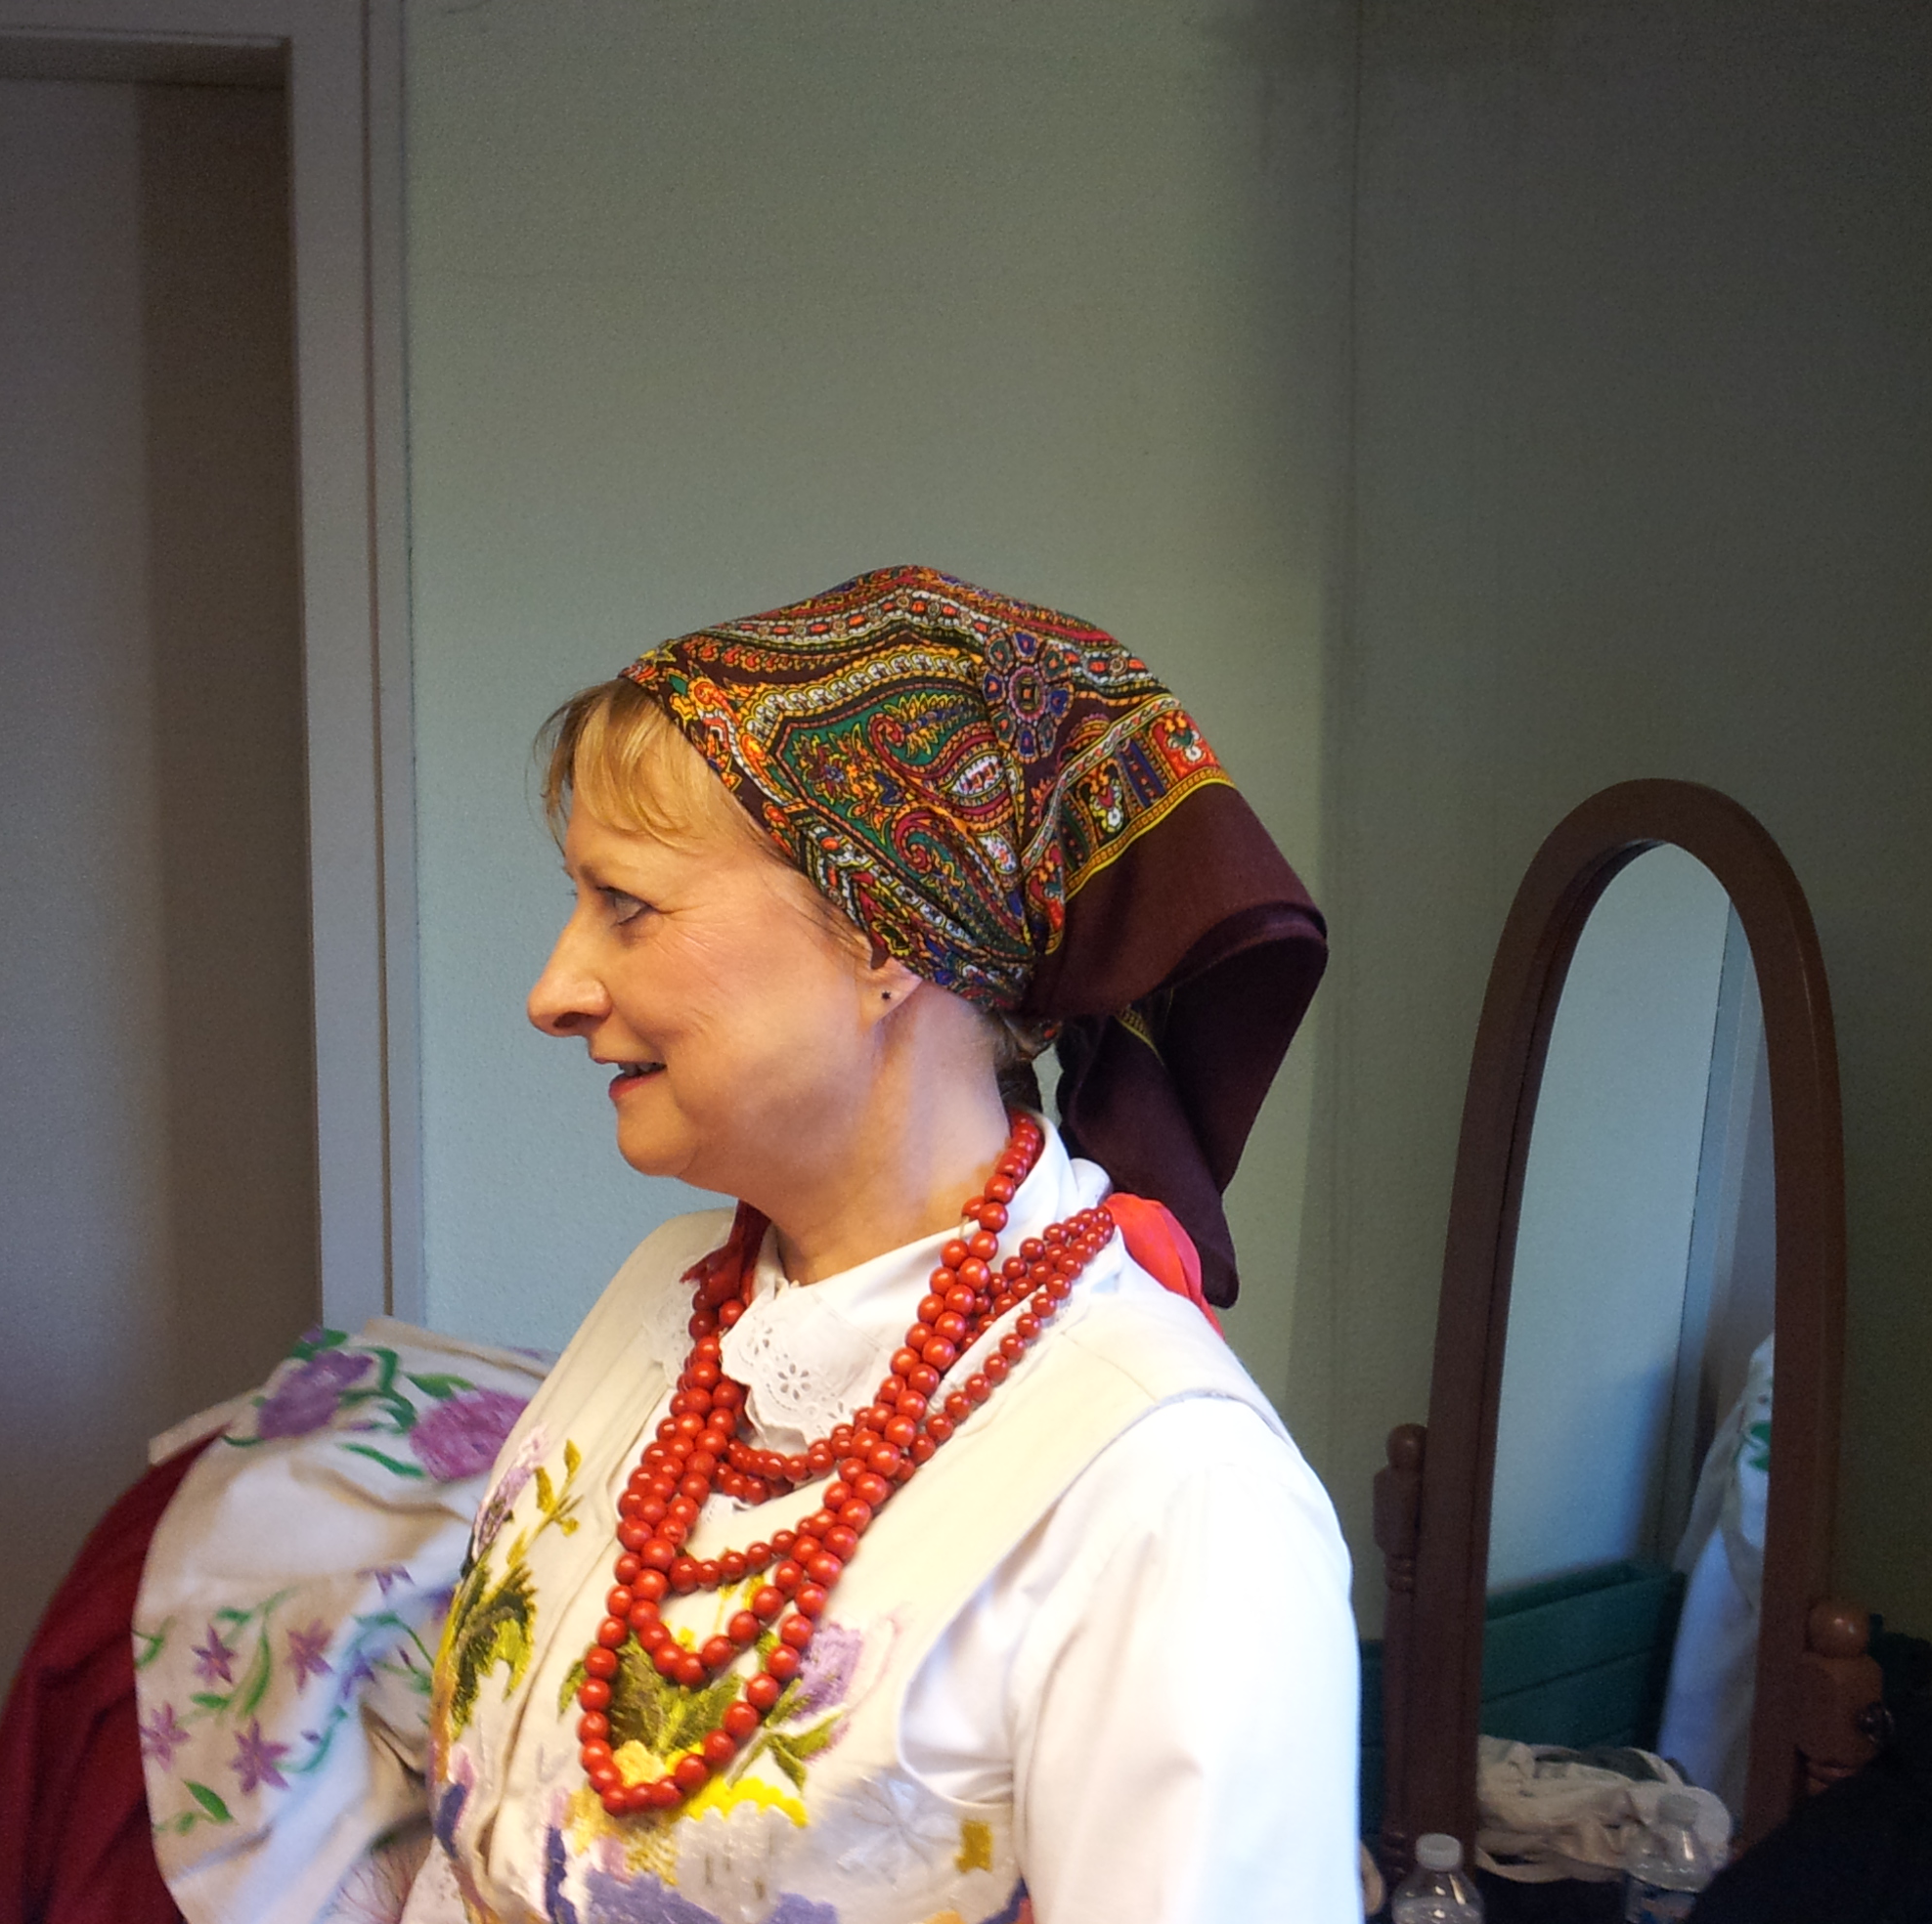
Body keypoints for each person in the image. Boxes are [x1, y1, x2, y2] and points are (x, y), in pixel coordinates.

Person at [407, 567, 1360, 1924]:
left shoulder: (1174, 1499)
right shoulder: (658, 1306)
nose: (554, 990)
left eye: (628, 904)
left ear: (881, 941)